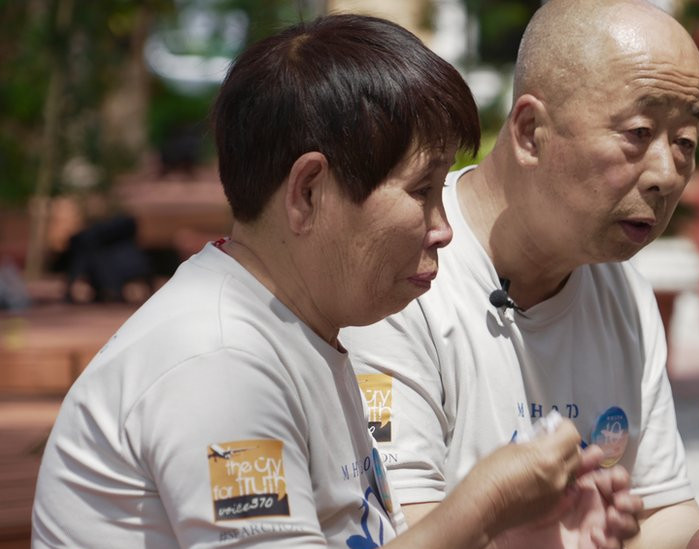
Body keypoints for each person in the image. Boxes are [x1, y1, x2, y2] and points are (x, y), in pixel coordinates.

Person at [31, 14, 642, 549]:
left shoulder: (299, 331)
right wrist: (481, 506)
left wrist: (518, 537)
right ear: (308, 192)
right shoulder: (218, 364)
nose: (444, 229)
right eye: (422, 192)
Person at [342, 2, 699, 548]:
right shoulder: (406, 274)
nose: (666, 173)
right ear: (529, 131)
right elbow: (407, 529)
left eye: (685, 142)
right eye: (638, 132)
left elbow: (659, 508)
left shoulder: (624, 292)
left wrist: (695, 543)